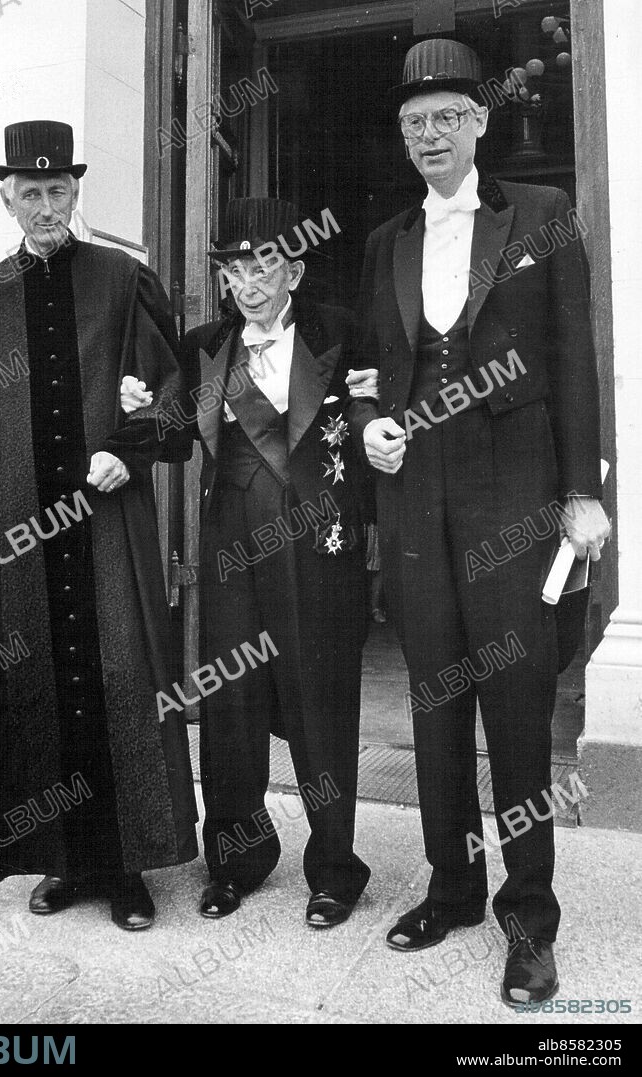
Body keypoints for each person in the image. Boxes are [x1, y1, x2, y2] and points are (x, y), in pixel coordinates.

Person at [347, 41, 610, 1004]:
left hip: (518, 490)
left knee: (517, 710)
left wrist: (583, 491)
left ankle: (529, 919)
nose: (431, 135)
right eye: (416, 122)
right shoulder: (384, 243)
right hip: (420, 499)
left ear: (480, 121)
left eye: (448, 116)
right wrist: (371, 422)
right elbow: (372, 370)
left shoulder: (541, 217)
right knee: (435, 702)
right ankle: (453, 887)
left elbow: (575, 360)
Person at [0, 120, 197, 931]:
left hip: (105, 526)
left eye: (59, 190)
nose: (46, 204)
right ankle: (59, 859)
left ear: (77, 193)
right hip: (22, 536)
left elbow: (173, 393)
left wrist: (130, 447)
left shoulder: (122, 280)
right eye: (31, 191)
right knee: (39, 687)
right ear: (8, 197)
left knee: (118, 680)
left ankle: (125, 869)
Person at [126, 198, 371, 927]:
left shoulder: (342, 334)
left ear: (292, 269)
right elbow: (170, 437)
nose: (248, 279)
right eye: (235, 267)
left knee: (319, 703)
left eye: (262, 263)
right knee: (230, 709)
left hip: (313, 545)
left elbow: (374, 420)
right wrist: (134, 406)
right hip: (230, 544)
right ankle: (234, 862)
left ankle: (334, 869)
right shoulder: (204, 345)